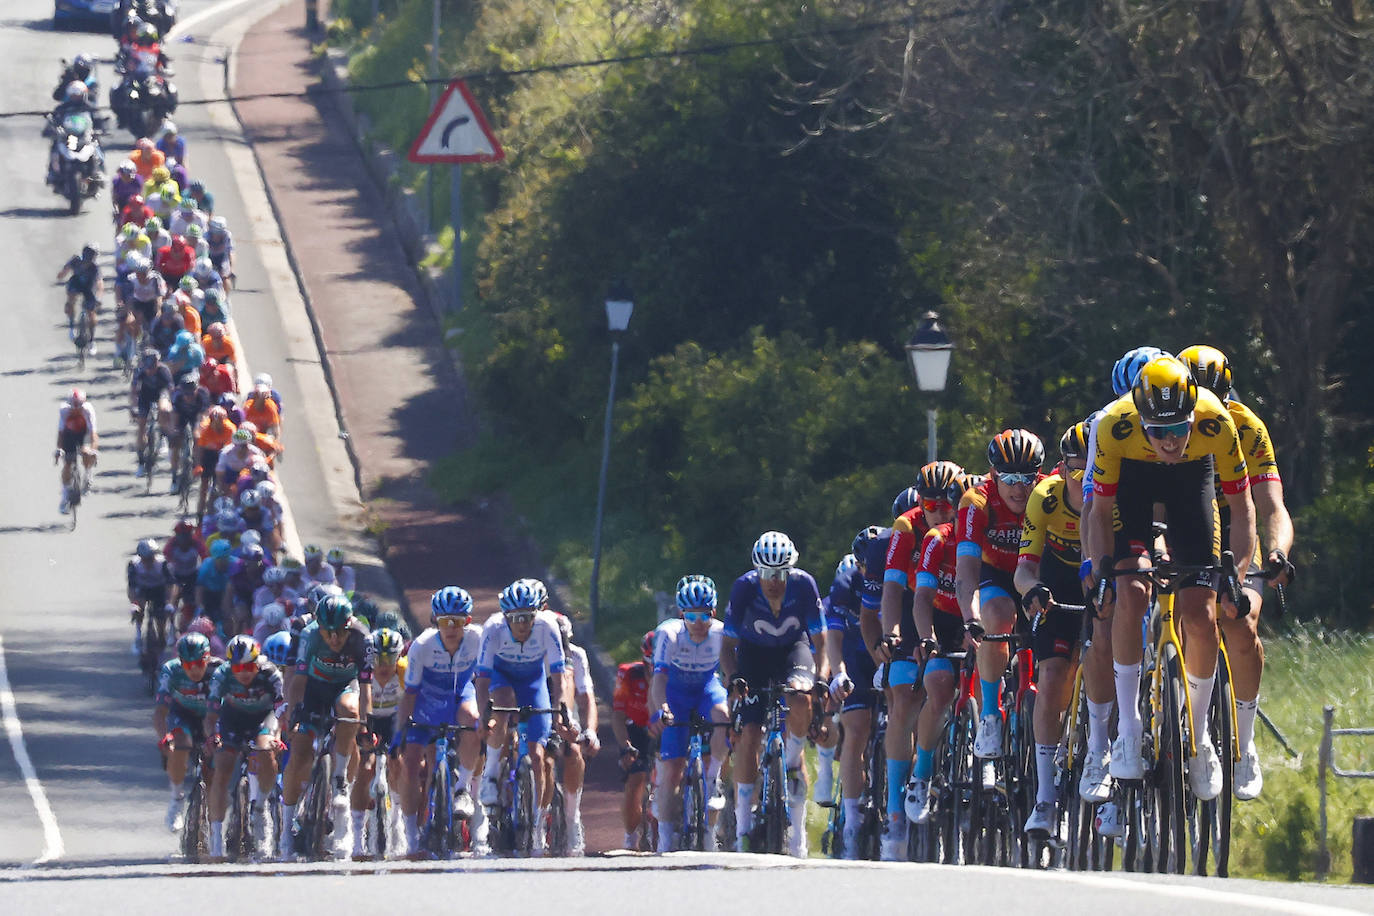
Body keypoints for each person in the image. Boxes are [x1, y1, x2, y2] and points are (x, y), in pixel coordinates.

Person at [1084, 356, 1257, 802]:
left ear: (1193, 416)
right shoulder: (1114, 425)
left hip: (1190, 483)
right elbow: (1099, 512)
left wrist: (1236, 578)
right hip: (1133, 483)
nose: (1168, 441)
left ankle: (1199, 738)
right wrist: (1102, 569)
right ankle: (1128, 729)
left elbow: (1242, 508)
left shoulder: (1216, 422)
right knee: (1131, 591)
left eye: (1179, 428)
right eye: (1157, 431)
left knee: (1201, 614)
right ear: (1140, 419)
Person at [1180, 344, 1295, 800]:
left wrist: (1277, 552)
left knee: (1240, 620)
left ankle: (1244, 745)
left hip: (1235, 531)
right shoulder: (1166, 426)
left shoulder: (1248, 427)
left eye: (1218, 401)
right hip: (1188, 527)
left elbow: (1272, 506)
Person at [1014, 421, 1104, 835]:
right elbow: (1023, 569)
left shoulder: (1110, 493)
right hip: (1057, 583)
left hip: (1099, 578)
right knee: (1051, 676)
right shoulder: (1045, 497)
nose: (1083, 477)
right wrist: (1032, 590)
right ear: (1062, 468)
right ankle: (1045, 797)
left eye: (1091, 468)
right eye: (1075, 468)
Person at [873, 461, 962, 855]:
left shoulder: (970, 522)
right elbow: (893, 589)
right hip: (918, 608)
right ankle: (895, 808)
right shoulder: (907, 527)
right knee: (905, 693)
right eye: (930, 504)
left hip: (960, 608)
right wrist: (891, 633)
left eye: (946, 504)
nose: (939, 512)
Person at [720, 531, 827, 857]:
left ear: (790, 570)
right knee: (750, 734)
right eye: (767, 573)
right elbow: (726, 647)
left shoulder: (804, 585)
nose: (774, 581)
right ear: (757, 570)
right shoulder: (744, 587)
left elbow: (821, 641)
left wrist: (821, 678)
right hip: (753, 655)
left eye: (781, 573)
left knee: (801, 697)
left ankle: (792, 763)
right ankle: (743, 828)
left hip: (793, 650)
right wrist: (734, 678)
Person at [958, 429, 1045, 761]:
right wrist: (971, 617)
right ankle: (991, 715)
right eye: (1009, 478)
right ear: (994, 474)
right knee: (997, 616)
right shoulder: (976, 502)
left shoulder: (1047, 492)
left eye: (1027, 478)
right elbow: (966, 570)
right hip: (995, 574)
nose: (1019, 488)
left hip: (1036, 573)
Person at [902, 474, 985, 826]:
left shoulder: (991, 539)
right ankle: (921, 774)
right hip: (941, 622)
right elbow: (921, 598)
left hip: (977, 622)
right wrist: (927, 638)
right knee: (938, 686)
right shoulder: (937, 539)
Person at [474, 579, 566, 857]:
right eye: (516, 618)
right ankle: (491, 775)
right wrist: (483, 715)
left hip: (533, 682)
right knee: (501, 704)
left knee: (537, 757)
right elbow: (482, 680)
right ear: (505, 617)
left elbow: (558, 677)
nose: (523, 624)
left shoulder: (548, 626)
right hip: (500, 677)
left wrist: (561, 709)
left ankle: (536, 823)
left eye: (528, 616)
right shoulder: (492, 628)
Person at [279, 595, 374, 860]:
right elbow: (297, 681)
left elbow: (365, 687)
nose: (333, 639)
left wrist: (366, 724)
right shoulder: (309, 635)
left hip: (345, 686)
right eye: (327, 632)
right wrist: (293, 714)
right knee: (299, 753)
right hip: (314, 688)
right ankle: (286, 829)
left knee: (350, 713)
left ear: (349, 625)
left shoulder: (362, 637)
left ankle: (340, 779)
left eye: (339, 632)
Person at [397, 588, 485, 857]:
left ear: (467, 621)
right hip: (426, 701)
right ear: (435, 620)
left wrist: (488, 718)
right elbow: (410, 694)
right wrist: (399, 734)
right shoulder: (422, 645)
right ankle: (410, 835)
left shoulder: (478, 638)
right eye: (445, 621)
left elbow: (485, 682)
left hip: (460, 695)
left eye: (457, 622)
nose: (451, 628)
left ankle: (462, 790)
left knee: (473, 720)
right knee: (411, 763)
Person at [648, 576, 729, 853]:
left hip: (707, 688)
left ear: (713, 612)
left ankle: (712, 779)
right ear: (681, 614)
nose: (698, 622)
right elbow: (659, 678)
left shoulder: (722, 633)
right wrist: (662, 709)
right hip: (676, 693)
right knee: (672, 770)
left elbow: (730, 673)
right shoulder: (668, 633)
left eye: (704, 615)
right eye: (691, 616)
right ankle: (665, 838)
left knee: (723, 715)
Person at [204, 635, 284, 860]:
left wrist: (277, 737)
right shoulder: (221, 675)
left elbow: (281, 711)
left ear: (258, 662)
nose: (244, 673)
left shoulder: (271, 674)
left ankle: (261, 807)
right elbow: (211, 715)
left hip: (263, 718)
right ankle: (216, 839)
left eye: (249, 667)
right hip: (233, 719)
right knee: (222, 767)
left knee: (265, 751)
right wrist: (212, 736)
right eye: (238, 668)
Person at [819, 544, 876, 859]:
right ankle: (852, 820)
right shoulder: (840, 593)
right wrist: (835, 680)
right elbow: (832, 645)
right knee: (856, 727)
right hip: (853, 657)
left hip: (881, 654)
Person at [155, 633, 224, 832]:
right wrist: (164, 737)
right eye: (187, 664)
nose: (193, 669)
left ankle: (214, 822)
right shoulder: (171, 670)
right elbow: (160, 713)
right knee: (180, 743)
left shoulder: (220, 670)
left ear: (208, 658)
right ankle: (176, 798)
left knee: (214, 767)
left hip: (212, 717)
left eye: (198, 663)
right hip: (183, 714)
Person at [546, 610, 597, 856]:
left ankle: (572, 816)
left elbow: (586, 698)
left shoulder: (577, 655)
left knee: (574, 752)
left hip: (565, 713)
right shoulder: (533, 651)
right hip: (536, 709)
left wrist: (591, 731)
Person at [352, 627, 406, 858]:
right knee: (365, 768)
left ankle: (398, 818)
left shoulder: (404, 671)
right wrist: (363, 730)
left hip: (394, 719)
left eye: (389, 659)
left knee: (398, 763)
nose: (383, 665)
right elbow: (358, 703)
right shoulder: (363, 673)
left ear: (398, 656)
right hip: (370, 718)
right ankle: (356, 834)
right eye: (378, 659)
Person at [612, 630, 655, 850]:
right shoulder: (628, 674)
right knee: (636, 778)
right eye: (650, 664)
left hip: (664, 729)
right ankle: (630, 836)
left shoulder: (675, 674)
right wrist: (625, 747)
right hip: (636, 729)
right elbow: (618, 716)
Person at [129, 348, 174, 476]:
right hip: (145, 396)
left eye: (152, 367)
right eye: (147, 368)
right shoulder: (139, 371)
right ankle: (141, 462)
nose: (150, 371)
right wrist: (133, 407)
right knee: (141, 426)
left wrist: (171, 406)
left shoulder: (164, 370)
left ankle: (164, 437)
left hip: (160, 394)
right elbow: (133, 391)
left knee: (164, 409)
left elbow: (171, 390)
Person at [55, 388, 99, 514]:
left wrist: (93, 451)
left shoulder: (88, 410)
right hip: (69, 435)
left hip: (84, 433)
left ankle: (88, 474)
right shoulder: (64, 410)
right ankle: (64, 496)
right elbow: (61, 433)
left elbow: (93, 434)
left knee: (86, 451)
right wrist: (59, 449)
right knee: (67, 464)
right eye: (73, 408)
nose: (76, 410)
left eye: (79, 407)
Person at [128, 537, 175, 653]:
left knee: (161, 619)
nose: (148, 561)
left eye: (151, 558)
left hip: (159, 590)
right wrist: (134, 604)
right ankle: (138, 635)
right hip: (143, 589)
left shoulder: (163, 563)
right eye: (145, 559)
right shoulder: (134, 564)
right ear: (140, 557)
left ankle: (163, 636)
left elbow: (171, 585)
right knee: (138, 609)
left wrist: (170, 602)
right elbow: (131, 587)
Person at [56, 244, 103, 346]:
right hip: (76, 282)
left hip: (89, 286)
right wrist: (62, 274)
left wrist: (98, 298)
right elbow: (65, 270)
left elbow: (99, 284)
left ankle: (91, 340)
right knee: (71, 299)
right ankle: (71, 325)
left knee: (91, 313)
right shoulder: (75, 260)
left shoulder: (95, 267)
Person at [164, 517, 207, 627]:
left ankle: (190, 619)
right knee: (172, 597)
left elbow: (204, 557)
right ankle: (171, 622)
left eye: (187, 535)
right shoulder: (171, 544)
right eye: (181, 535)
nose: (184, 539)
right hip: (176, 575)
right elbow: (166, 560)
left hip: (192, 574)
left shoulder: (197, 543)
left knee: (193, 601)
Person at [206, 216, 233, 286]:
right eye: (215, 232)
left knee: (225, 277)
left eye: (220, 232)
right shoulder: (205, 236)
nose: (217, 235)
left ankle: (226, 292)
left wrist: (231, 269)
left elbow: (230, 252)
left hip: (222, 257)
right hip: (209, 256)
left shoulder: (227, 235)